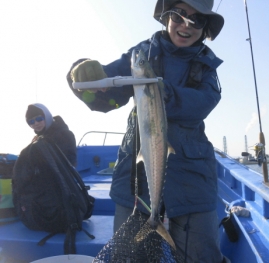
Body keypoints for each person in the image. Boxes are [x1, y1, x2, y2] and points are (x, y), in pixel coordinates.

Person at [67, 0, 228, 262]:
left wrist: (162, 93)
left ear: (205, 26)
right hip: (135, 177)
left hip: (192, 179)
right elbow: (105, 91)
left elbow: (203, 103)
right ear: (166, 15)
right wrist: (82, 75)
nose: (186, 25)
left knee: (202, 255)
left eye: (196, 20)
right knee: (130, 256)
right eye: (179, 14)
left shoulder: (207, 67)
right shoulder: (141, 53)